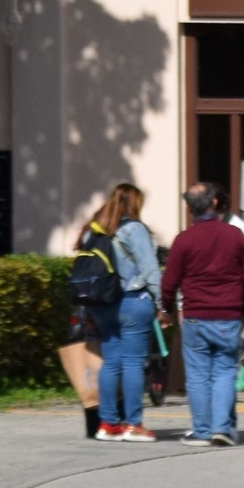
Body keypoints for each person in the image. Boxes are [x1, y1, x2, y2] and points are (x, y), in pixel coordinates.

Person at [161, 182, 244, 446]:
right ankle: (222, 429)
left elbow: (170, 280)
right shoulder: (234, 235)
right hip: (228, 315)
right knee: (225, 371)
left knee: (197, 376)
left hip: (195, 315)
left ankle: (202, 431)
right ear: (214, 202)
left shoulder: (184, 240)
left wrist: (165, 308)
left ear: (188, 208)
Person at [88, 182, 161, 441]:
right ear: (133, 204)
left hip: (102, 305)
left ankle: (108, 424)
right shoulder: (134, 230)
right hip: (132, 301)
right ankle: (133, 424)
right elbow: (150, 270)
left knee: (110, 362)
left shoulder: (95, 231)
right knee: (133, 362)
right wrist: (163, 302)